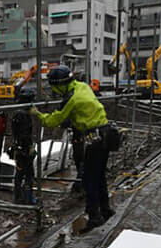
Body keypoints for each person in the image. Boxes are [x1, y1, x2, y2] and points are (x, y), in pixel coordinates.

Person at [30, 66, 113, 230]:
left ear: (59, 84)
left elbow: (52, 121)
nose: (53, 90)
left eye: (53, 87)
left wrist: (37, 113)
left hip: (94, 138)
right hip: (106, 133)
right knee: (99, 176)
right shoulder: (83, 86)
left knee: (89, 179)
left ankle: (95, 217)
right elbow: (82, 110)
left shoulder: (70, 98)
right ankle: (106, 209)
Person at [9, 84, 36, 203]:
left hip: (19, 148)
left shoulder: (18, 112)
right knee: (28, 174)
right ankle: (26, 198)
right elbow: (25, 134)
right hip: (23, 148)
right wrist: (30, 147)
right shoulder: (23, 114)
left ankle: (19, 197)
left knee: (20, 174)